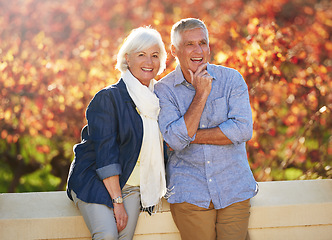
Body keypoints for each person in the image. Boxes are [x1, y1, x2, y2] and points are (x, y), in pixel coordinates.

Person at [154, 18, 258, 240]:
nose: (198, 50)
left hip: (234, 187)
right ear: (174, 50)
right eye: (190, 44)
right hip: (189, 192)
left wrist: (189, 134)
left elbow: (242, 130)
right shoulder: (164, 90)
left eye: (203, 42)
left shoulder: (232, 79)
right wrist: (201, 94)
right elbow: (174, 141)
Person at [66, 26, 167, 240]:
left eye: (155, 55)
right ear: (127, 59)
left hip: (132, 186)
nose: (149, 61)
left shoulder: (159, 101)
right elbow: (106, 153)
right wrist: (117, 201)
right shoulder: (108, 98)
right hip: (95, 178)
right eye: (141, 54)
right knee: (108, 234)